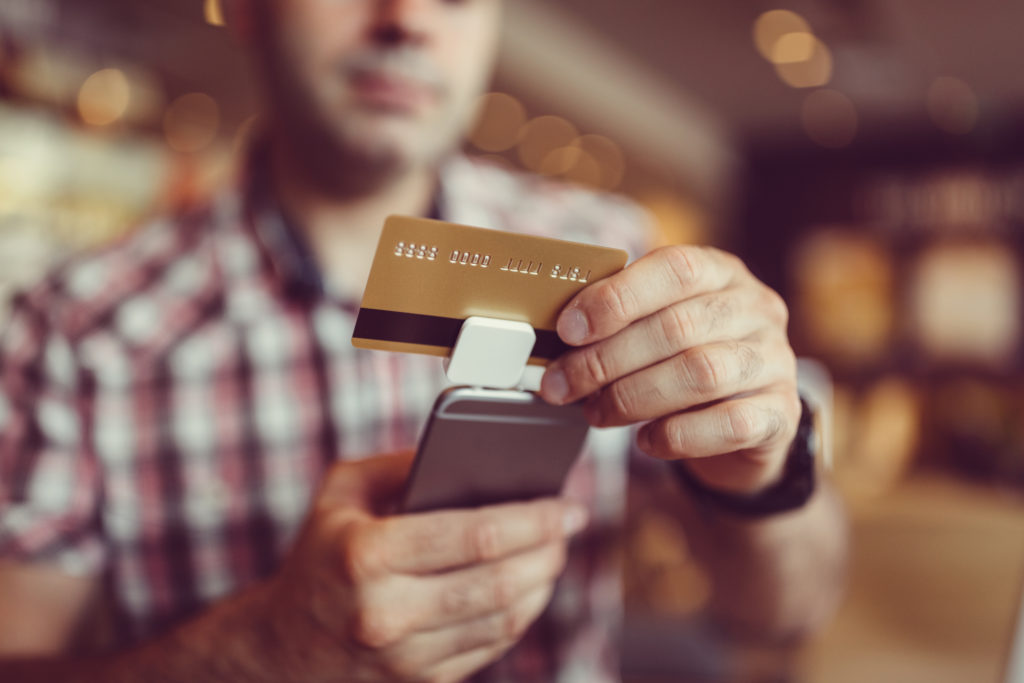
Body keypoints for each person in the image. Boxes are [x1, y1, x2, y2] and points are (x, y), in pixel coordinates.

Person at [0, 1, 847, 681]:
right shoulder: (74, 330)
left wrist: (759, 472)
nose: (407, 17)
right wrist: (256, 654)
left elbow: (787, 612)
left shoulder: (608, 259)